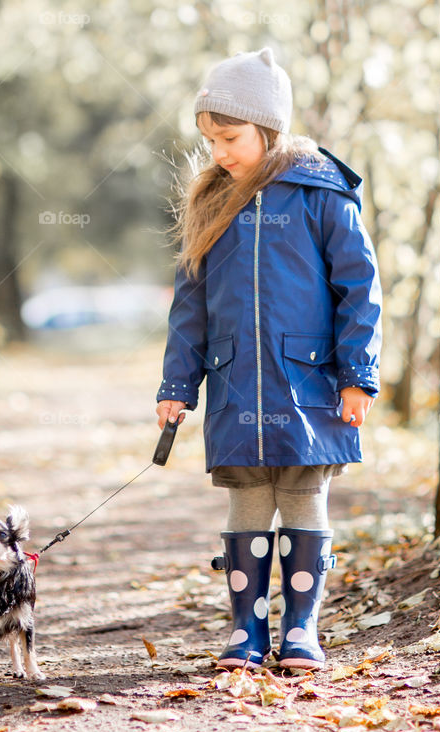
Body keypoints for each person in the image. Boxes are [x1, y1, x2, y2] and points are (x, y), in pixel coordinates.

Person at [156, 47, 382, 672]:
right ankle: (246, 633)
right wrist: (178, 383)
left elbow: (360, 290)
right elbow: (190, 305)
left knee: (305, 493)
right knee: (248, 498)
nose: (219, 152)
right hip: (236, 383)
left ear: (268, 127)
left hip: (308, 382)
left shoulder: (320, 194)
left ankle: (302, 630)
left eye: (229, 137)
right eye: (210, 140)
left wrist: (356, 375)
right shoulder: (210, 203)